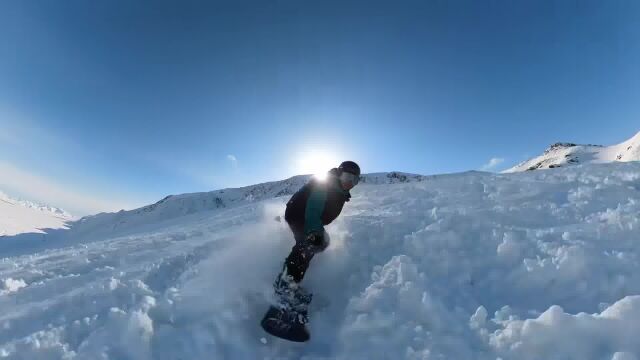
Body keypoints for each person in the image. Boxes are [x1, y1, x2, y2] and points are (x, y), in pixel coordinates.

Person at [267, 160, 361, 335]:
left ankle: (292, 275)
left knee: (319, 243)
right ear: (340, 173)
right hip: (299, 215)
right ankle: (286, 285)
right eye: (348, 177)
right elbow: (313, 209)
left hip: (305, 217)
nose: (350, 182)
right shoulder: (325, 185)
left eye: (355, 180)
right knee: (310, 244)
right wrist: (313, 231)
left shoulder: (339, 191)